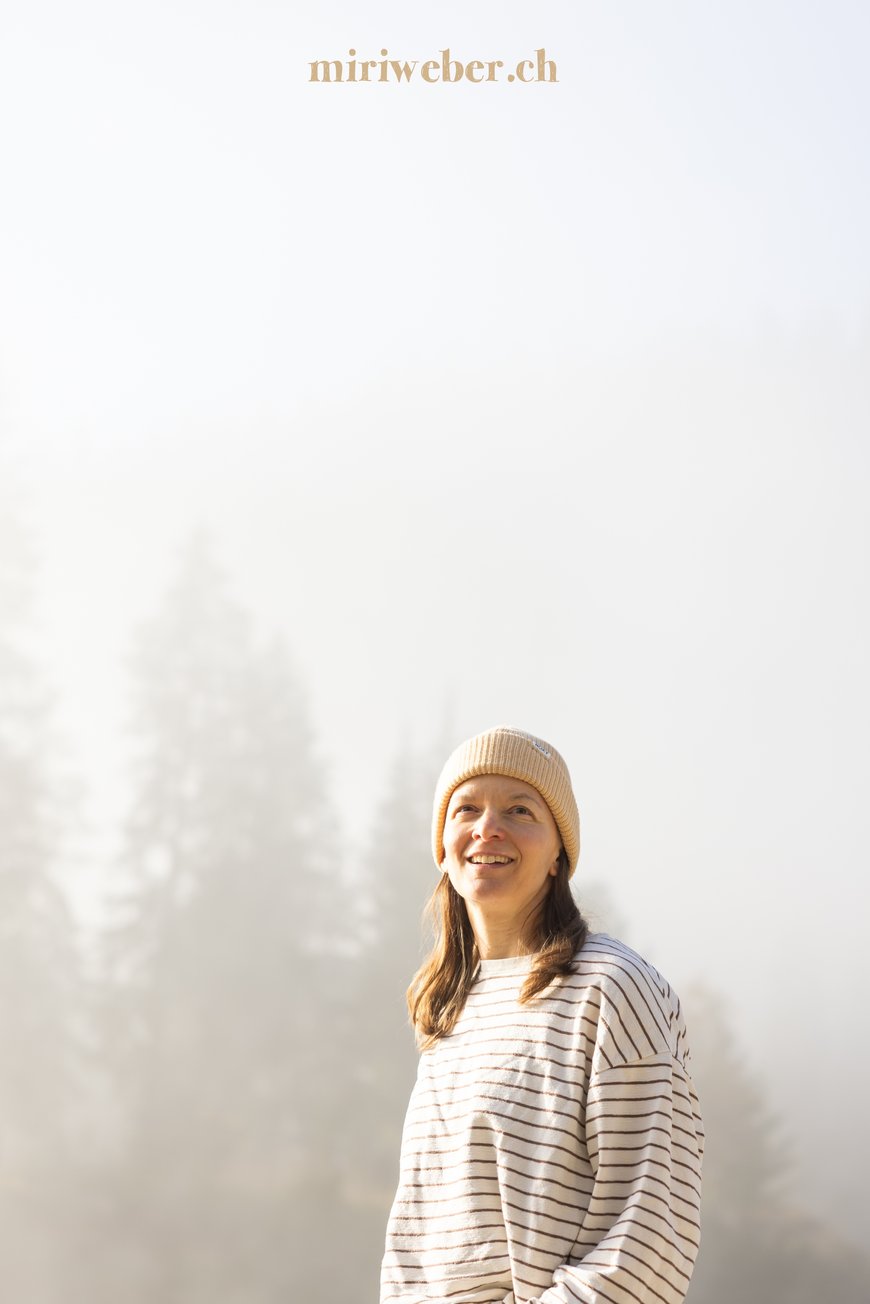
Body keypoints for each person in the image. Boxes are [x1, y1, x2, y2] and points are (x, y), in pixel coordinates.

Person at [380, 726, 704, 1304]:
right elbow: (414, 1247)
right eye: (467, 808)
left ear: (559, 852)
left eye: (520, 809)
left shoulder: (612, 991)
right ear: (443, 845)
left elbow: (652, 1237)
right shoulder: (448, 1007)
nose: (488, 828)